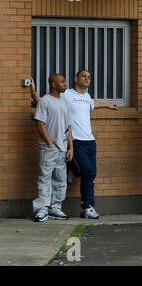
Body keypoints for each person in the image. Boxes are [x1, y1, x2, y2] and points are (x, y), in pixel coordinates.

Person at [30, 70, 118, 219]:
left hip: (85, 141)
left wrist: (107, 105)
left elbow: (91, 104)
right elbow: (45, 108)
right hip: (69, 142)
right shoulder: (66, 95)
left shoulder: (84, 98)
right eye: (84, 76)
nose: (87, 79)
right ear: (76, 79)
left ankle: (65, 205)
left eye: (89, 77)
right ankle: (48, 207)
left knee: (83, 174)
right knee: (84, 171)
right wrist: (33, 94)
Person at [33, 74, 73, 222]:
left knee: (60, 179)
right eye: (62, 82)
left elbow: (68, 127)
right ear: (53, 84)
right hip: (48, 148)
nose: (65, 84)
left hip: (62, 148)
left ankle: (55, 207)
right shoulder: (45, 101)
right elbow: (39, 123)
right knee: (45, 177)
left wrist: (71, 148)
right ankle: (42, 209)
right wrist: (50, 143)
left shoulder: (65, 104)